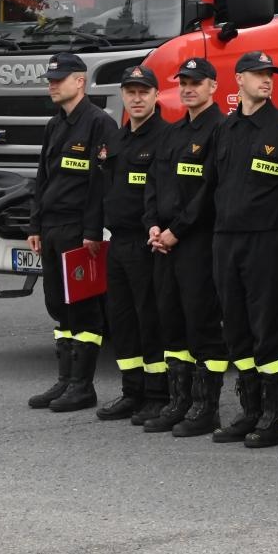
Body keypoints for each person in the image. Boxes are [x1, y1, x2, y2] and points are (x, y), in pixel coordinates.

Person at [183, 50, 278, 449]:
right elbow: (208, 186)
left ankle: (276, 417)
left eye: (270, 74)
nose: (266, 80)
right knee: (235, 327)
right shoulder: (225, 129)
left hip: (265, 240)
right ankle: (251, 409)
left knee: (267, 326)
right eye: (257, 74)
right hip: (225, 240)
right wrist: (175, 229)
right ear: (239, 80)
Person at [145, 57, 231, 436]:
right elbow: (154, 184)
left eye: (196, 82)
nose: (188, 88)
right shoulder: (172, 132)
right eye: (183, 82)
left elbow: (210, 191)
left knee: (202, 324)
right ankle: (178, 402)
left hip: (196, 243)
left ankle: (205, 407)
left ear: (213, 86)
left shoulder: (221, 131)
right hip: (163, 243)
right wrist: (153, 226)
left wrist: (176, 230)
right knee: (171, 321)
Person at [24, 52, 113, 413]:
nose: (52, 83)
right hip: (52, 227)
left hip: (79, 229)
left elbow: (100, 184)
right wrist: (35, 223)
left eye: (59, 78)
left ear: (81, 81)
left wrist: (93, 231)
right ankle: (64, 380)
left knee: (83, 308)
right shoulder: (54, 125)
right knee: (58, 306)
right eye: (50, 78)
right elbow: (43, 179)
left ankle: (82, 385)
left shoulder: (99, 124)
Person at [96, 65, 172, 425]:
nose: (137, 98)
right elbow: (101, 191)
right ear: (123, 96)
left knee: (150, 317)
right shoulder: (116, 140)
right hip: (118, 243)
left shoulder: (166, 138)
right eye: (131, 92)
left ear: (156, 95)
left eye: (144, 91)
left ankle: (158, 394)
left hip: (148, 243)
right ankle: (132, 391)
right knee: (121, 320)